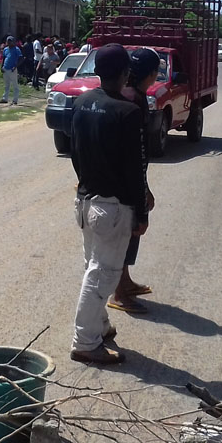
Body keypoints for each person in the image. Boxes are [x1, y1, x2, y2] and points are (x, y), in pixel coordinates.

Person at [69, 43, 147, 365]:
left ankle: (99, 327)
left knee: (94, 268)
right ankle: (85, 341)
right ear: (126, 73)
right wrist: (140, 212)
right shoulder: (128, 113)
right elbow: (133, 169)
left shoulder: (81, 103)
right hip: (113, 208)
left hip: (86, 202)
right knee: (103, 275)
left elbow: (74, 152)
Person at [107, 48, 158, 314]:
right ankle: (119, 293)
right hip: (127, 181)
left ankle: (124, 282)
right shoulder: (135, 101)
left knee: (127, 235)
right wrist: (144, 188)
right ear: (150, 74)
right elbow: (136, 151)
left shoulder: (124, 94)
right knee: (128, 233)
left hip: (118, 176)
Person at [0, 36, 23, 105]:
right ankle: (5, 98)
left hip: (12, 69)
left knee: (14, 84)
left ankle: (15, 100)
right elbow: (4, 58)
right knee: (6, 85)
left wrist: (15, 66)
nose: (9, 42)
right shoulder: (5, 49)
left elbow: (21, 58)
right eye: (8, 41)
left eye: (10, 41)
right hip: (5, 68)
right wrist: (2, 66)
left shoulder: (16, 49)